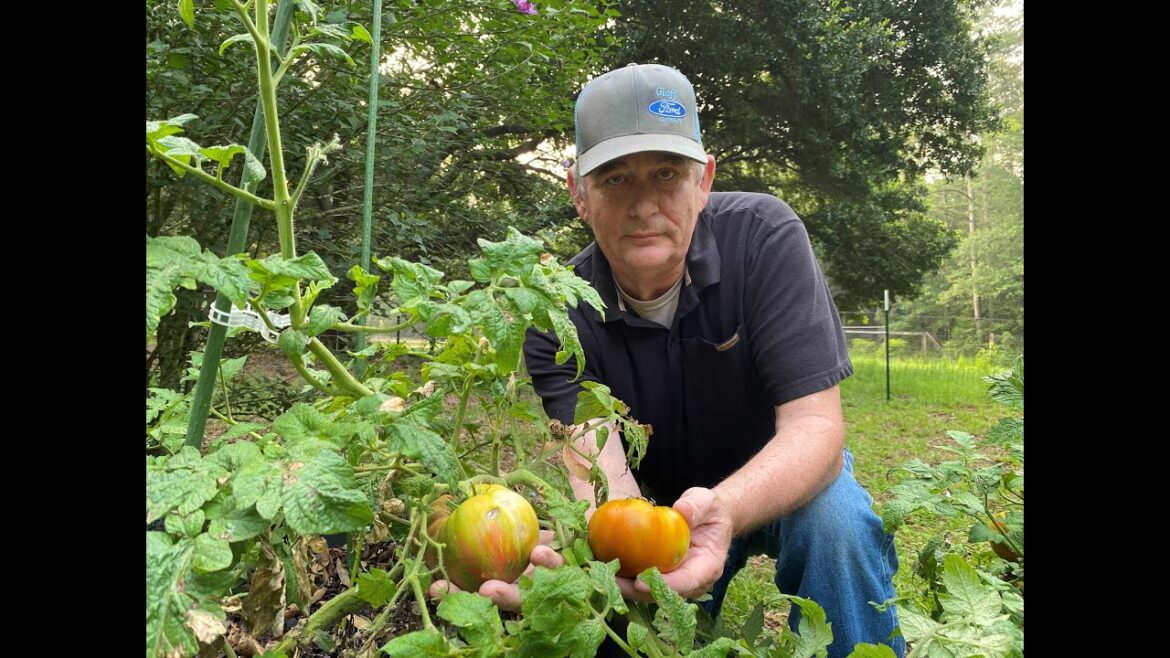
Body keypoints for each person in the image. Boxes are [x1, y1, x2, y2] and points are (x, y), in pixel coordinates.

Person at [433, 63, 904, 658]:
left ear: (704, 181)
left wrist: (724, 508)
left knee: (838, 528)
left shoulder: (764, 238)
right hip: (654, 508)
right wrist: (611, 555)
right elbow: (602, 476)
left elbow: (816, 428)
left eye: (666, 173)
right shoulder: (556, 311)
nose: (644, 205)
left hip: (781, 473)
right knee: (616, 618)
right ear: (578, 193)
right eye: (615, 179)